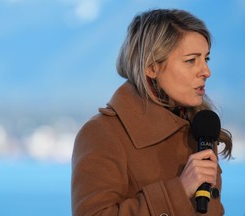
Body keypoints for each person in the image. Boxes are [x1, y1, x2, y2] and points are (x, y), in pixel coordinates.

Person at [71, 8, 232, 216]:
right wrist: (179, 190)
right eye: (191, 60)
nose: (206, 72)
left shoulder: (200, 131)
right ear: (151, 68)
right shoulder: (102, 134)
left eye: (206, 59)